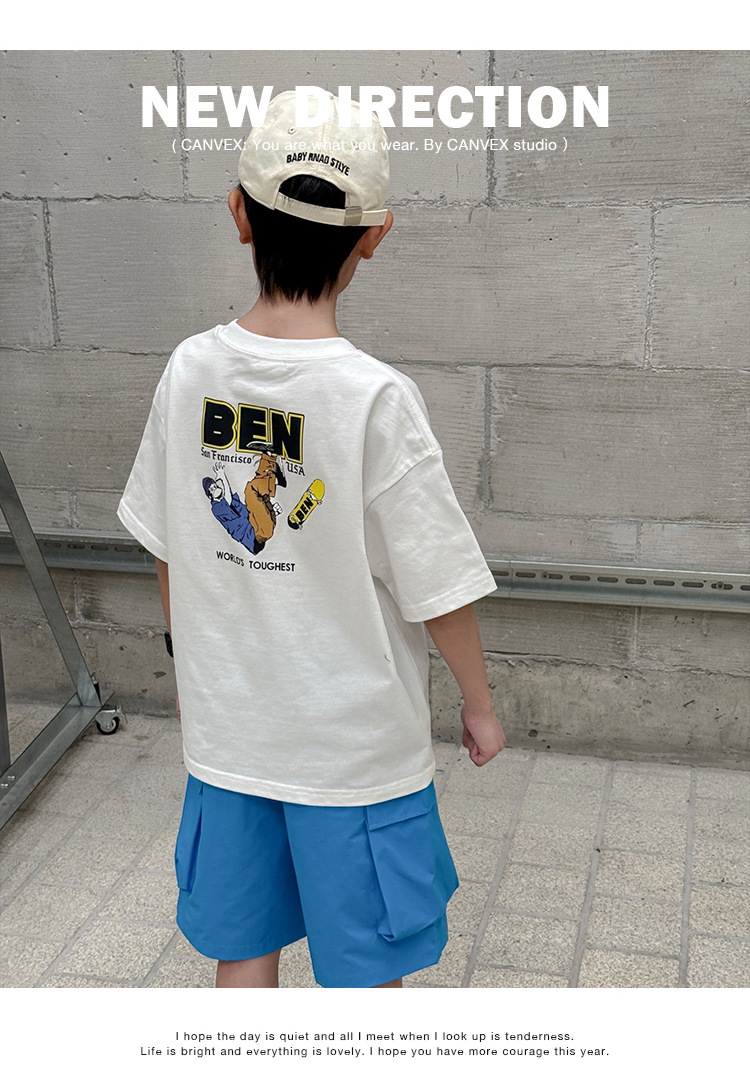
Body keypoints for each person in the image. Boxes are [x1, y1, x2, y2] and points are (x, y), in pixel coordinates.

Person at [118, 89, 506, 990]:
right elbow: (437, 580)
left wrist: (188, 669)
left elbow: (170, 544)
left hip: (231, 732)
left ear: (238, 214)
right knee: (366, 973)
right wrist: (479, 704)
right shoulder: (374, 399)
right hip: (354, 752)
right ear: (374, 236)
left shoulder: (189, 371)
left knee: (243, 954)